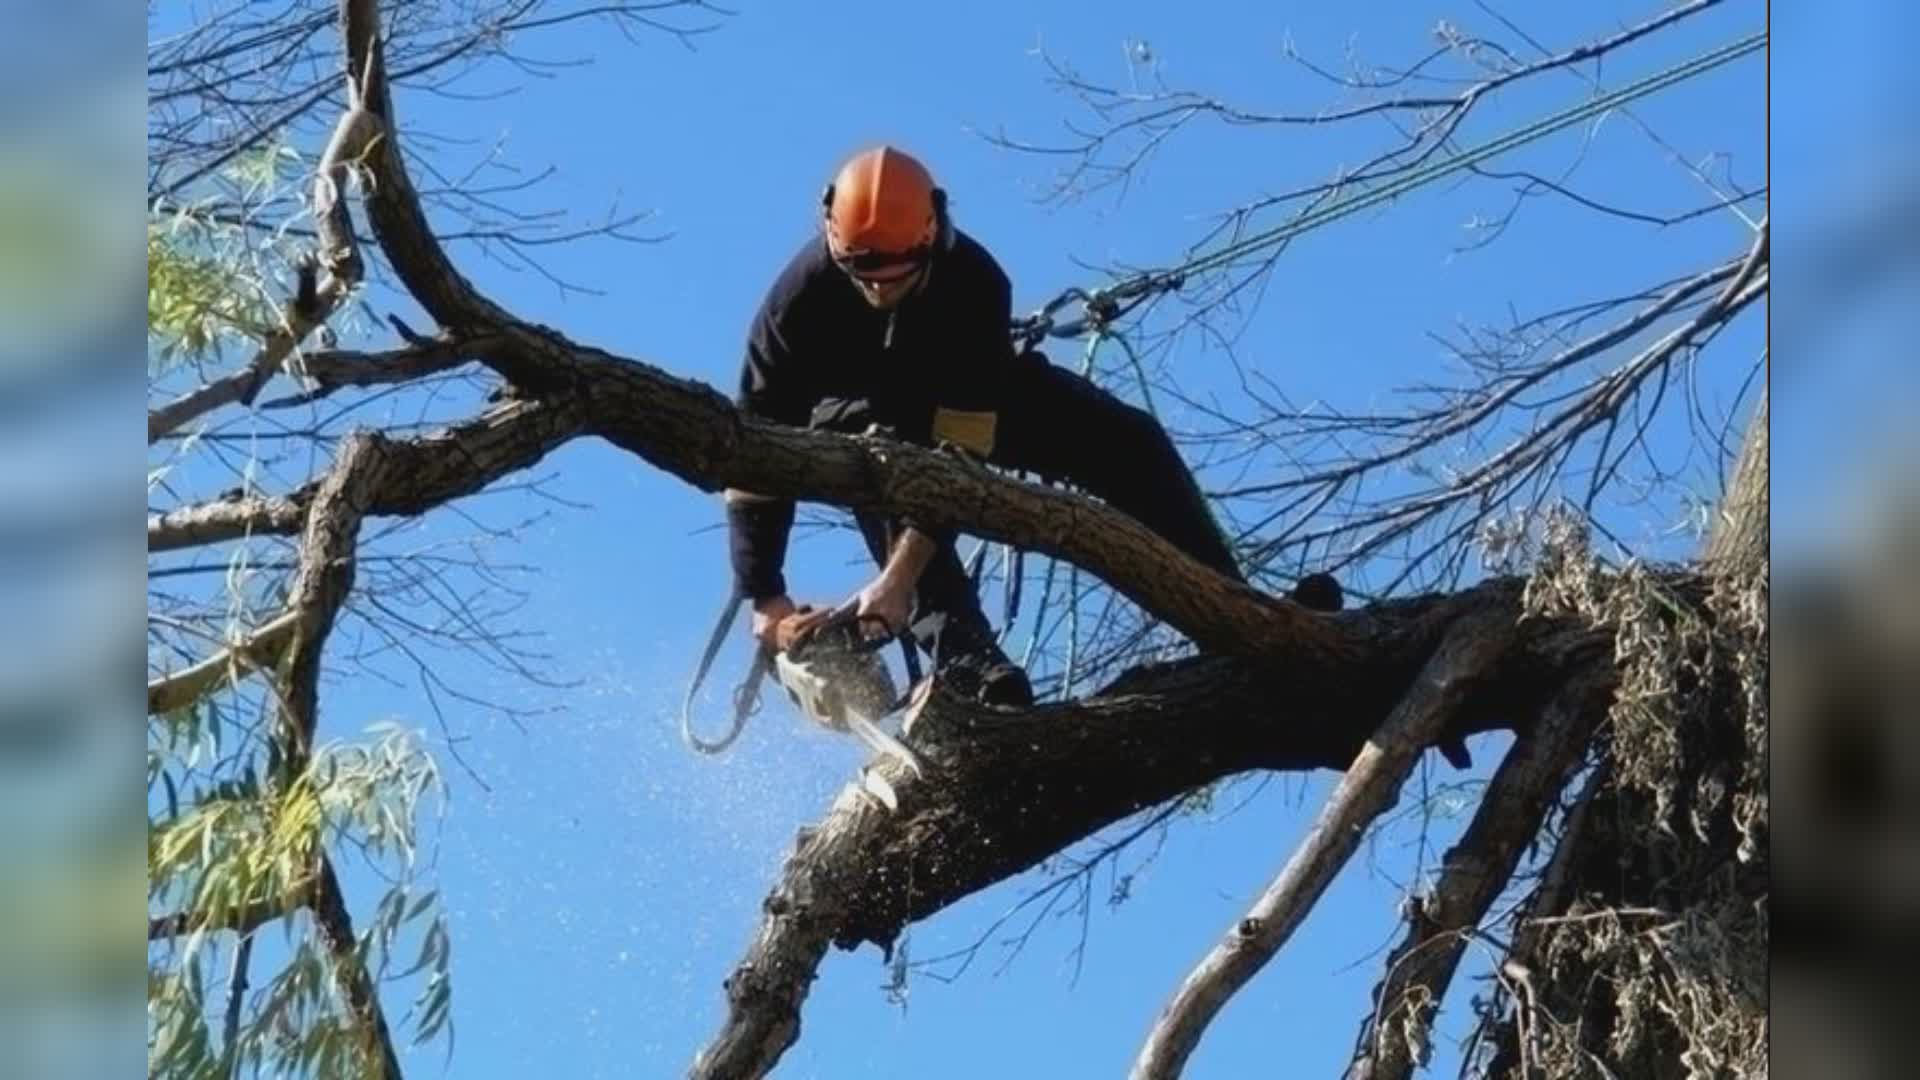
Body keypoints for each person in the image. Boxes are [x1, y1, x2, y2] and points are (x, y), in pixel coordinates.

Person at [725, 145, 1249, 708]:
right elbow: (753, 454)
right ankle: (973, 664)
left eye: (897, 275)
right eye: (864, 273)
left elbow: (960, 458)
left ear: (930, 236)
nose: (879, 288)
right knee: (879, 461)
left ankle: (1237, 612)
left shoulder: (974, 283)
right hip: (856, 422)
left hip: (966, 401)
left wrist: (898, 581)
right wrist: (765, 596)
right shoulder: (792, 309)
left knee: (1128, 441)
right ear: (833, 235)